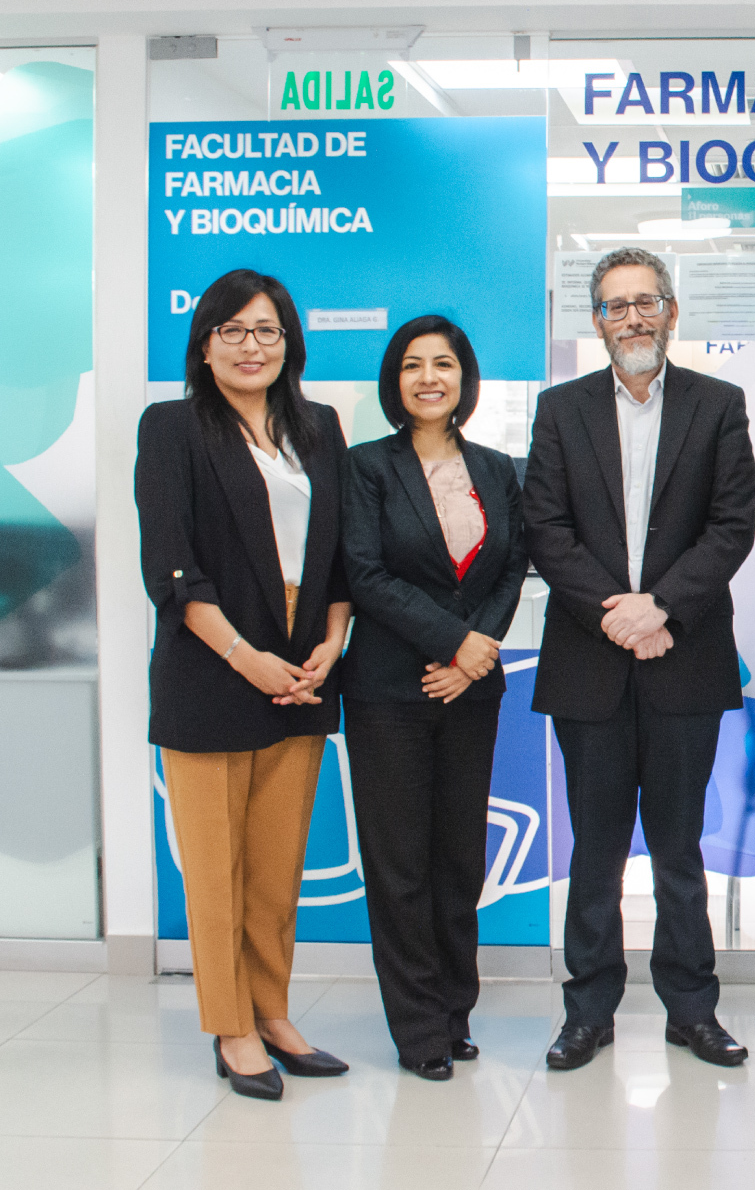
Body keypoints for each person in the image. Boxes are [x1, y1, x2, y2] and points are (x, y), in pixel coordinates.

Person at [524, 247, 755, 1071]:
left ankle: (691, 1008)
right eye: (616, 305)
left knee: (678, 847)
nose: (633, 317)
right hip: (590, 665)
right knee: (593, 850)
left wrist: (660, 607)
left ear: (671, 312)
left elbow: (733, 525)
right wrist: (618, 615)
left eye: (646, 301)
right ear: (596, 322)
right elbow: (545, 529)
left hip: (684, 657)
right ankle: (588, 1011)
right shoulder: (559, 410)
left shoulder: (718, 404)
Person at [135, 269, 352, 1101]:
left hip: (303, 670)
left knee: (274, 868)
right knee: (217, 868)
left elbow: (338, 553)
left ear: (290, 340)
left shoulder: (320, 428)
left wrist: (333, 642)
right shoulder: (173, 428)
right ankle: (231, 1026)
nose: (251, 346)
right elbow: (172, 568)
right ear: (205, 344)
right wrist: (245, 657)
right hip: (212, 669)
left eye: (266, 330)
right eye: (232, 331)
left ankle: (274, 1011)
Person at [339, 316, 528, 1082]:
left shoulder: (496, 467)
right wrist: (455, 641)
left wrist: (474, 656)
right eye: (413, 365)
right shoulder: (365, 467)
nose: (428, 377)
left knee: (458, 857)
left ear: (463, 378)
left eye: (443, 364)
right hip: (390, 688)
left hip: (470, 691)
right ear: (395, 381)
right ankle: (417, 1025)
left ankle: (455, 1011)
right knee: (400, 863)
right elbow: (364, 573)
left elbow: (513, 564)